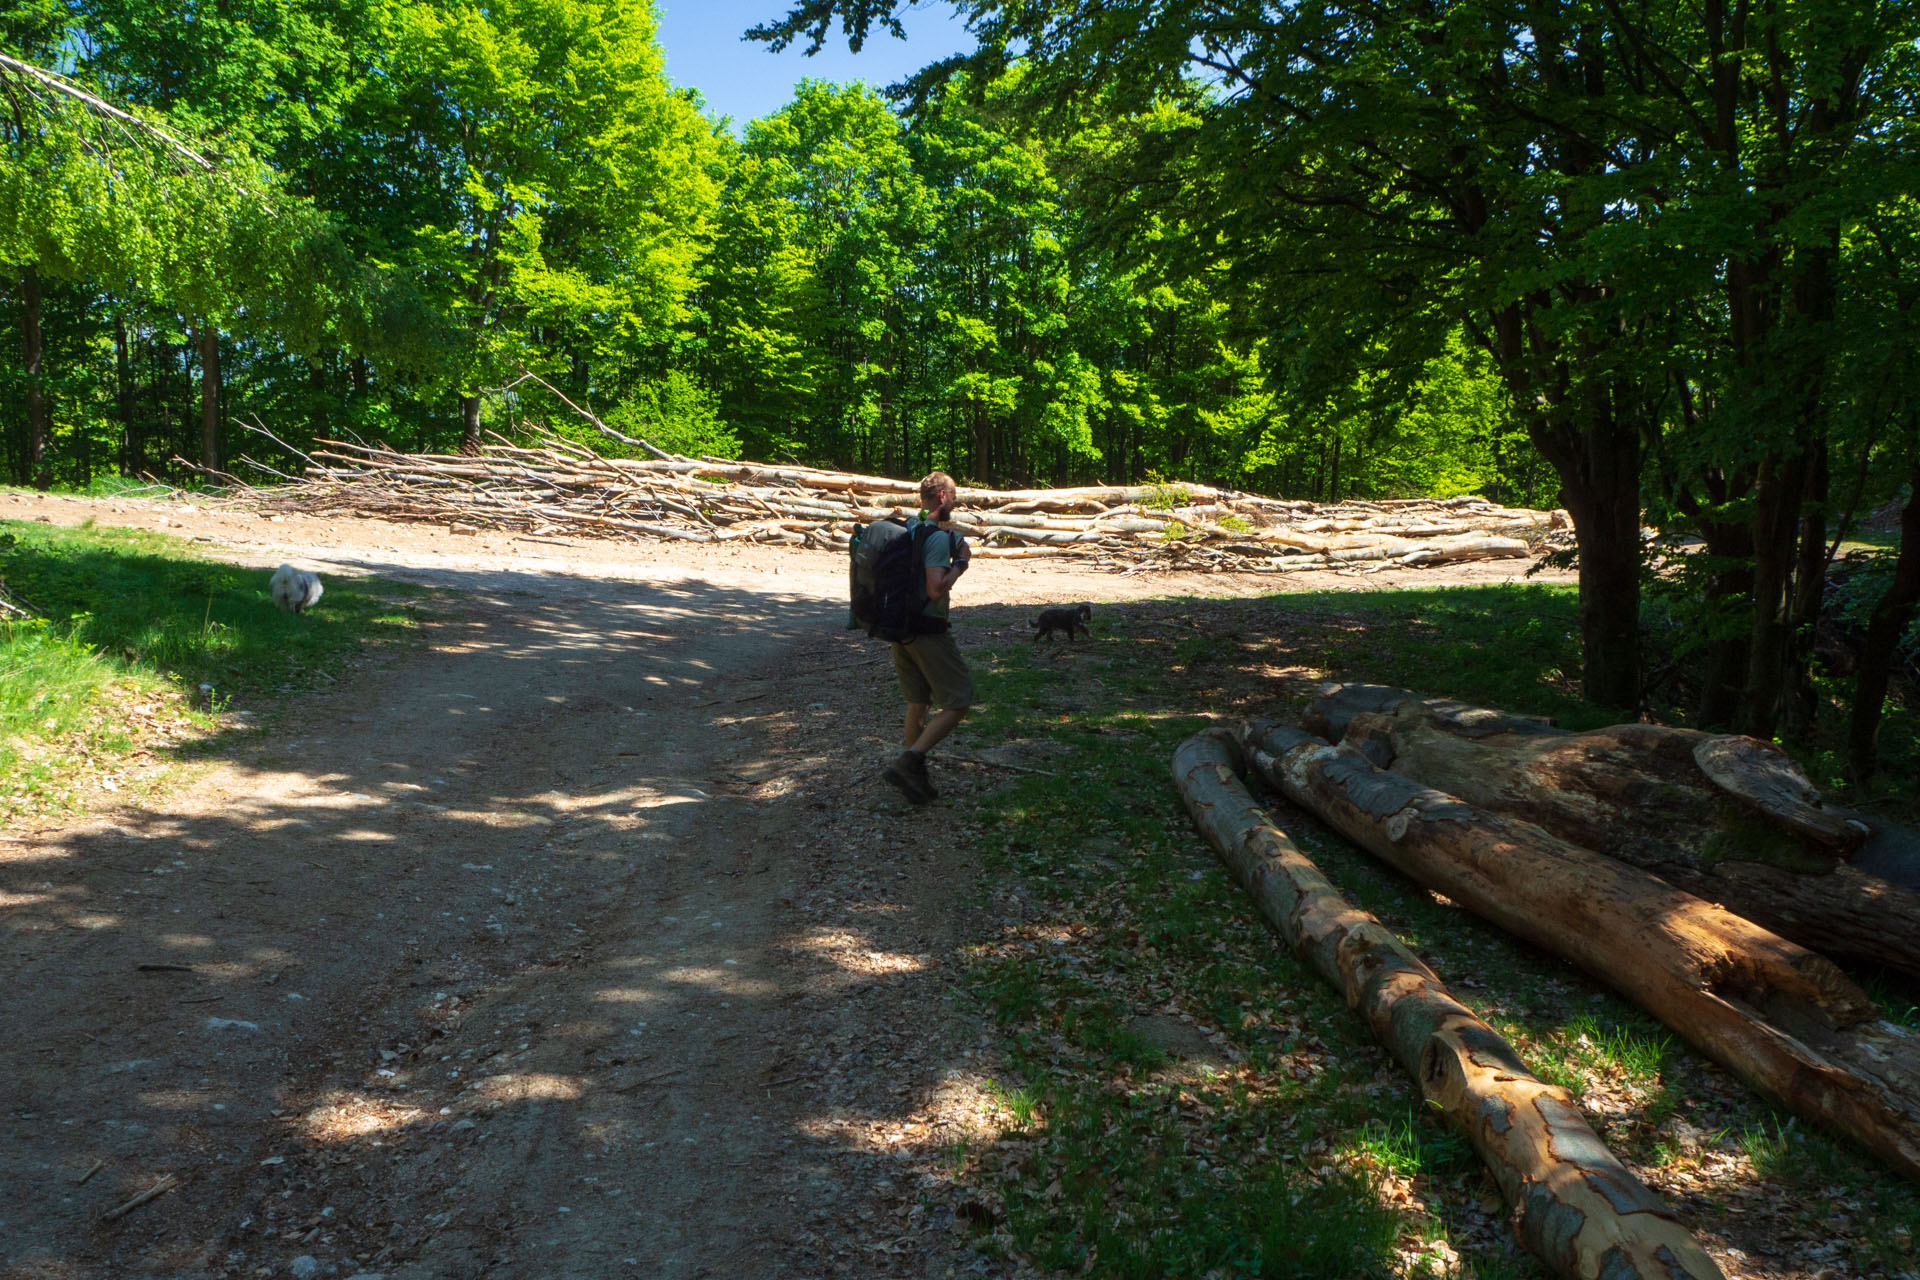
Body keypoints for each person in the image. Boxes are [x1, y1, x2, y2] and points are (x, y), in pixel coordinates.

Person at [881, 472, 973, 804]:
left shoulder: (909, 525)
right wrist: (960, 563)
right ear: (944, 498)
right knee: (958, 700)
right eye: (955, 494)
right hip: (927, 630)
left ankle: (915, 777)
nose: (956, 501)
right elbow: (935, 589)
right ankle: (910, 760)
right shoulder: (934, 538)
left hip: (899, 627)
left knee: (918, 702)